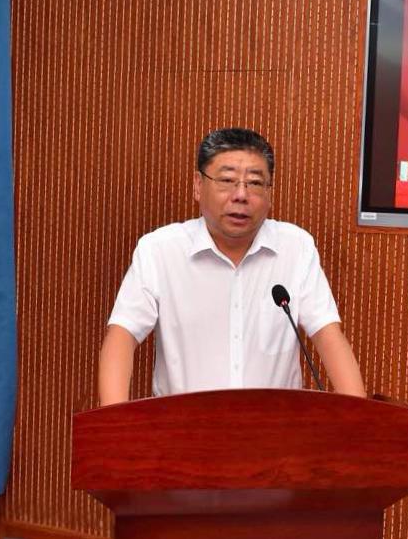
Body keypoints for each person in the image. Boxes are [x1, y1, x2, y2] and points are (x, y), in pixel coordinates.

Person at [97, 127, 366, 405]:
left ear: (270, 193)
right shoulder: (160, 250)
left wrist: (361, 420)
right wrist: (114, 421)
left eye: (255, 183)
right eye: (226, 180)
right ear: (198, 186)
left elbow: (328, 336)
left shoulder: (296, 248)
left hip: (275, 426)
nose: (241, 195)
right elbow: (122, 335)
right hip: (184, 426)